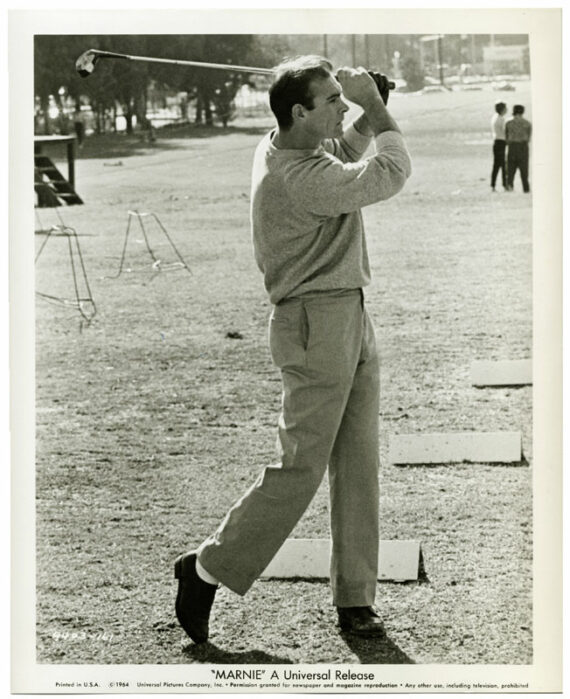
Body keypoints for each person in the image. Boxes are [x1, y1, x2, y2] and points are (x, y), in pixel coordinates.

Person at [174, 55, 412, 643]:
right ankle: (206, 568)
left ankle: (355, 600)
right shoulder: (296, 177)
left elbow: (341, 154)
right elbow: (388, 172)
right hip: (315, 323)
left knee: (358, 462)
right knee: (299, 467)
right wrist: (376, 111)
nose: (342, 105)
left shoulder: (287, 144)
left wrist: (353, 116)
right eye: (330, 100)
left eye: (340, 96)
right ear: (298, 112)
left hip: (347, 312)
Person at [505, 104, 532, 193]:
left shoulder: (508, 123)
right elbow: (528, 138)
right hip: (523, 147)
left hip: (512, 147)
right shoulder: (527, 124)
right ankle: (526, 188)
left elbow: (507, 138)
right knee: (524, 171)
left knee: (510, 170)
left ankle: (509, 187)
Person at [490, 101, 507, 192]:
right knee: (503, 165)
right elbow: (504, 131)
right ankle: (504, 184)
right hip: (501, 142)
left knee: (497, 165)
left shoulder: (494, 117)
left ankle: (493, 184)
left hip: (496, 141)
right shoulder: (501, 119)